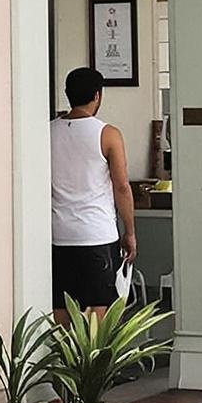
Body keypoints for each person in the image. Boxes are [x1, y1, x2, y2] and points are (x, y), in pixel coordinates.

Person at [50, 66, 136, 311]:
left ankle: (66, 351)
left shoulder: (48, 131)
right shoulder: (108, 134)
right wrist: (129, 231)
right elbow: (121, 187)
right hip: (97, 233)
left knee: (62, 306)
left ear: (68, 93)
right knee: (101, 306)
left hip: (58, 234)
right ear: (97, 95)